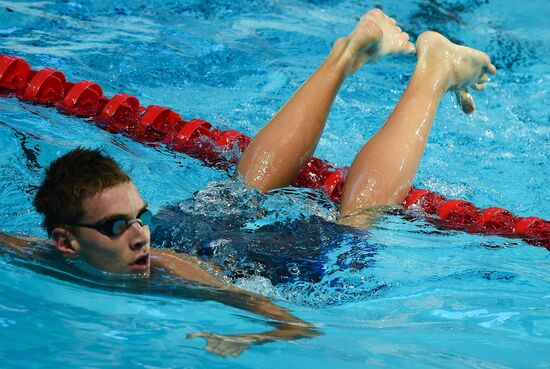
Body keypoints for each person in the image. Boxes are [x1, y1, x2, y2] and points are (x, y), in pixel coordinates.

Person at [0, 9, 495, 358]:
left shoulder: (171, 272)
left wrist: (249, 340)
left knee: (356, 218)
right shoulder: (29, 252)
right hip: (199, 234)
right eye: (115, 226)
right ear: (63, 241)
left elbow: (296, 324)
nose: (139, 234)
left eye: (139, 216)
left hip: (256, 263)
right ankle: (344, 54)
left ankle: (434, 69)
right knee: (242, 188)